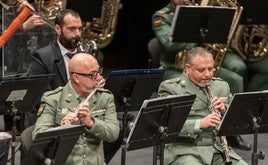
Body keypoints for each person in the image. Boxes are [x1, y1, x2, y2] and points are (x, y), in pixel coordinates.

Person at [152, 0, 251, 150]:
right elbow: (168, 43)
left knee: (235, 79)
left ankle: (232, 131)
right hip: (173, 67)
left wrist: (215, 38)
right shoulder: (162, 16)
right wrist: (199, 39)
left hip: (200, 67)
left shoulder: (201, 11)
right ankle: (191, 128)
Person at [158, 47, 248, 165]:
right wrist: (199, 124)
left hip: (217, 150)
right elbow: (166, 127)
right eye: (201, 70)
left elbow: (237, 122)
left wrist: (224, 110)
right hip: (186, 151)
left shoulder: (221, 86)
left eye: (210, 69)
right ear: (188, 68)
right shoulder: (171, 89)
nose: (207, 74)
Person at [32, 52, 120, 165]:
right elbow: (38, 136)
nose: (99, 78)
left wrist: (91, 123)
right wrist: (61, 129)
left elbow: (113, 134)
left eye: (99, 71)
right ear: (76, 78)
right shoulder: (53, 99)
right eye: (93, 74)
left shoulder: (105, 97)